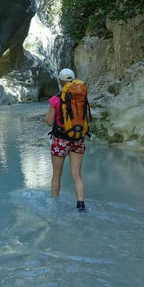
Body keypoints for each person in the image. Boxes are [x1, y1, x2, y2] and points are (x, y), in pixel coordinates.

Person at [45, 68, 88, 211]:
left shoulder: (55, 99)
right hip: (78, 139)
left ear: (60, 81)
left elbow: (49, 122)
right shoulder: (81, 97)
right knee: (77, 174)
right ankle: (81, 204)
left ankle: (54, 202)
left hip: (60, 140)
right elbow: (86, 119)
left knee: (57, 173)